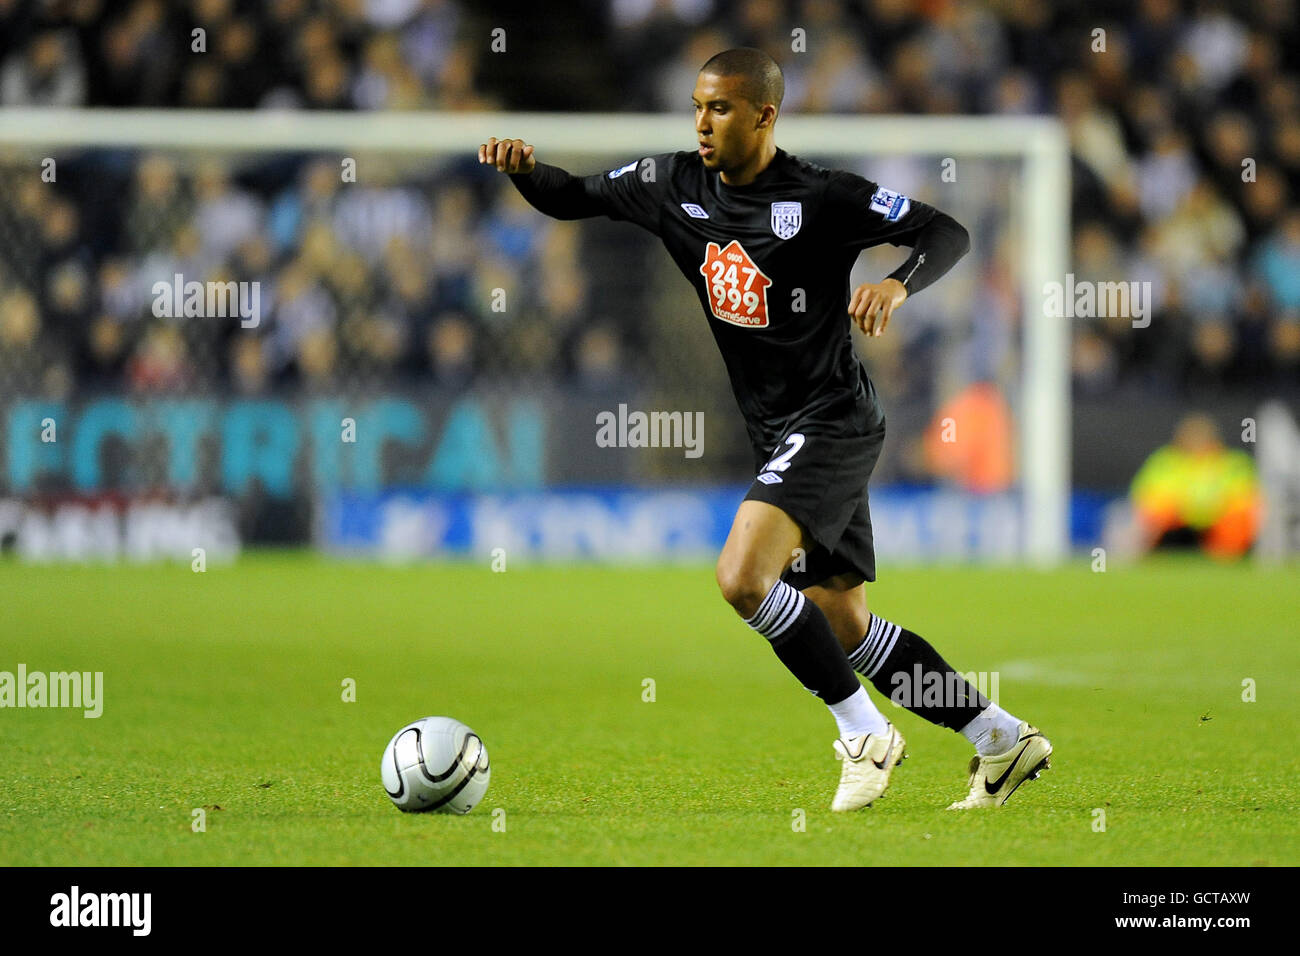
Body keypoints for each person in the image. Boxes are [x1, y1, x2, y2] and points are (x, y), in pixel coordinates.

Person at [478, 48, 1050, 811]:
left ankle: (864, 736)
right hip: (779, 428)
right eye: (696, 107)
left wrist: (893, 283)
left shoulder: (820, 197)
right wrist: (523, 169)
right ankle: (1001, 737)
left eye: (718, 109)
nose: (702, 124)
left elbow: (945, 231)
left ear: (764, 115)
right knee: (844, 625)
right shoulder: (670, 182)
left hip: (833, 418)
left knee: (743, 577)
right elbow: (572, 196)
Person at [1130, 413, 1260, 560]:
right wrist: (1187, 509)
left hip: (1219, 522)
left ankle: (1226, 558)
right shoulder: (1164, 461)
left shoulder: (1234, 462)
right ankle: (1161, 557)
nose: (1196, 441)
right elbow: (1148, 497)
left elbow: (1246, 498)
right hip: (1176, 525)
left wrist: (1209, 509)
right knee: (1155, 518)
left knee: (1237, 520)